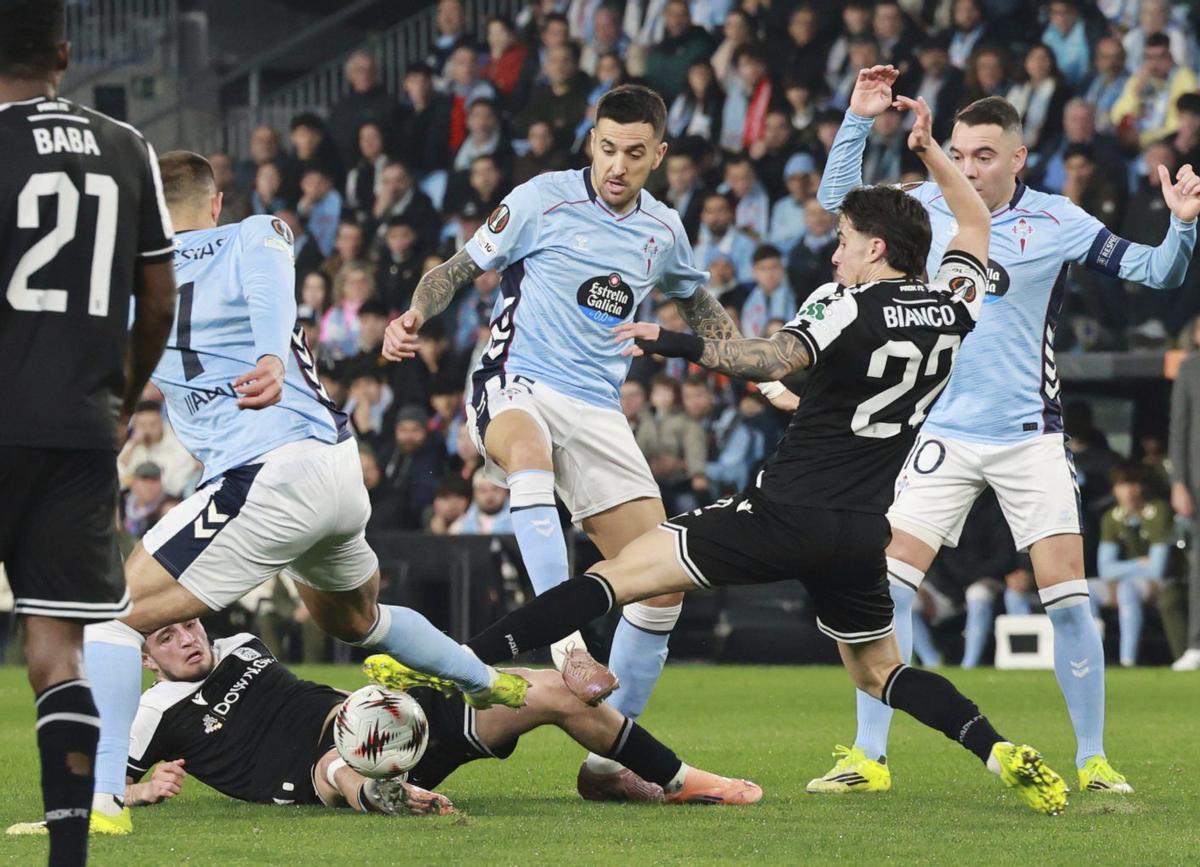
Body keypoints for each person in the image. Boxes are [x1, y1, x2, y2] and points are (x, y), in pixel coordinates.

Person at [412, 94, 1071, 816]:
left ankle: (444, 667)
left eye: (846, 238)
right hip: (859, 531)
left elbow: (771, 356)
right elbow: (974, 221)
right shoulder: (956, 304)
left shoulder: (840, 303)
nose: (836, 251)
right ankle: (994, 745)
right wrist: (934, 156)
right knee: (883, 670)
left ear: (876, 249)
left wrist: (675, 342)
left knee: (615, 575)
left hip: (778, 512)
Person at [77, 153, 529, 839]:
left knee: (110, 615)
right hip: (337, 472)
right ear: (217, 201)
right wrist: (272, 355)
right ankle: (480, 678)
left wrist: (267, 360)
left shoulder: (130, 282)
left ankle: (102, 803)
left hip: (267, 474)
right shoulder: (259, 229)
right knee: (355, 620)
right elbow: (270, 284)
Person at [382, 85, 789, 798]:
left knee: (661, 582)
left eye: (635, 153)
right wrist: (413, 313)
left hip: (598, 409)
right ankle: (567, 644)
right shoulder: (541, 198)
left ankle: (612, 763)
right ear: (590, 143)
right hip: (517, 383)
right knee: (528, 457)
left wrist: (760, 373)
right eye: (607, 149)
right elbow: (456, 269)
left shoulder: (662, 230)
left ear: (658, 154)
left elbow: (703, 309)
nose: (617, 166)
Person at [814, 65, 1200, 797]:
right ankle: (868, 756)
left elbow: (1155, 272)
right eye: (959, 153)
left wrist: (1181, 225)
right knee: (881, 589)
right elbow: (841, 203)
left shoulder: (1059, 221)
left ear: (1021, 158)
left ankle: (1093, 758)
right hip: (943, 432)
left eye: (985, 154)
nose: (968, 167)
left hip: (1029, 433)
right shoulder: (925, 208)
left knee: (1071, 598)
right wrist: (860, 118)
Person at [0, 2, 177, 860]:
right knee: (58, 652)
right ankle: (67, 857)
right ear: (64, 55)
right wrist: (120, 398)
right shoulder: (127, 146)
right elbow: (160, 297)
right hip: (78, 428)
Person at [114, 619, 760, 814]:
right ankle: (394, 794)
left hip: (387, 715)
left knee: (553, 692)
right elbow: (104, 784)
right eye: (168, 638)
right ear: (146, 659)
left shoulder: (242, 644)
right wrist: (143, 788)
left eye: (190, 624)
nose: (189, 639)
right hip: (311, 768)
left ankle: (677, 780)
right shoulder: (149, 709)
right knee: (343, 767)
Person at [1096, 463, 1172, 668]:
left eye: (1132, 485)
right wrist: (1138, 563)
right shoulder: (1112, 517)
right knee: (1083, 591)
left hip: (1156, 583)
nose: (1128, 492)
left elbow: (1157, 569)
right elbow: (1105, 569)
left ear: (1142, 487)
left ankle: (1127, 660)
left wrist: (1121, 571)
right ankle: (1091, 658)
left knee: (1127, 590)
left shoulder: (1158, 511)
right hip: (1122, 580)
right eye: (1121, 486)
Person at [1168, 339, 1200, 670]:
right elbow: (1179, 429)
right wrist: (1179, 482)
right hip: (1198, 485)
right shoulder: (1190, 369)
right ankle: (1196, 643)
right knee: (1199, 568)